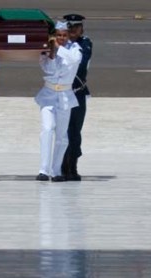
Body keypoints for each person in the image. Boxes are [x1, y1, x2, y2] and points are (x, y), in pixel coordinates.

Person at [35, 21, 82, 182]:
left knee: (62, 136)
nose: (61, 38)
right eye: (58, 35)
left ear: (68, 36)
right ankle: (43, 170)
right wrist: (52, 52)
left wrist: (58, 48)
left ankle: (56, 171)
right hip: (48, 94)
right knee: (47, 128)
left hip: (65, 95)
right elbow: (48, 69)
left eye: (64, 35)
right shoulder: (46, 50)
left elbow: (75, 60)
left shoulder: (75, 48)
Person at [62, 13, 92, 181]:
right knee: (62, 131)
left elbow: (81, 65)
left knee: (75, 131)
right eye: (70, 27)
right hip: (62, 92)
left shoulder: (85, 43)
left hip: (78, 91)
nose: (73, 30)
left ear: (82, 29)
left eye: (76, 27)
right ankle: (62, 165)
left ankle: (72, 164)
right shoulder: (61, 44)